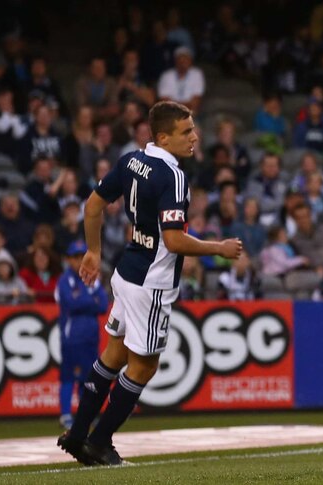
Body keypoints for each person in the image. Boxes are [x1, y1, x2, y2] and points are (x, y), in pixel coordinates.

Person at [56, 101, 242, 466]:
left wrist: (93, 251)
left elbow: (92, 206)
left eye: (193, 129)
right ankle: (100, 442)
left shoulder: (129, 160)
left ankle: (77, 434)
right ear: (163, 137)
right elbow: (173, 240)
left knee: (112, 355)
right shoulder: (173, 177)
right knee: (143, 367)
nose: (194, 137)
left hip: (125, 271)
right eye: (186, 132)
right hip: (152, 281)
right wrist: (217, 247)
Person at [55, 240, 109, 430]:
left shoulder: (91, 278)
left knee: (88, 379)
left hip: (90, 339)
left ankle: (84, 414)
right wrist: (89, 300)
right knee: (69, 377)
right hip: (72, 339)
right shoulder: (65, 280)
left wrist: (84, 300)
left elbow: (103, 305)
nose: (79, 261)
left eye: (81, 256)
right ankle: (65, 414)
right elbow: (70, 303)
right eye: (75, 257)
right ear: (69, 260)